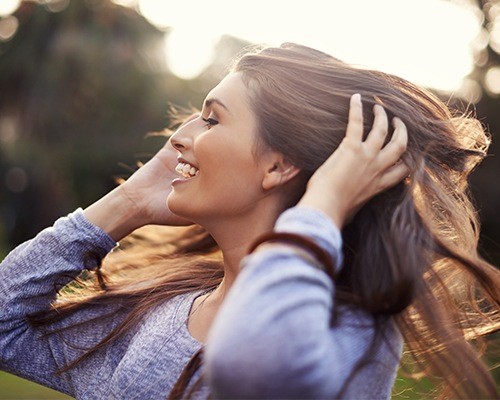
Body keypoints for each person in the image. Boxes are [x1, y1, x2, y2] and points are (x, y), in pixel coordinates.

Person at [0, 43, 498, 399]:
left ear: (279, 167)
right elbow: (5, 329)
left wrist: (320, 204)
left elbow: (248, 363)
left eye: (213, 119)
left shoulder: (350, 331)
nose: (179, 137)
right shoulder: (165, 311)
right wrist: (128, 202)